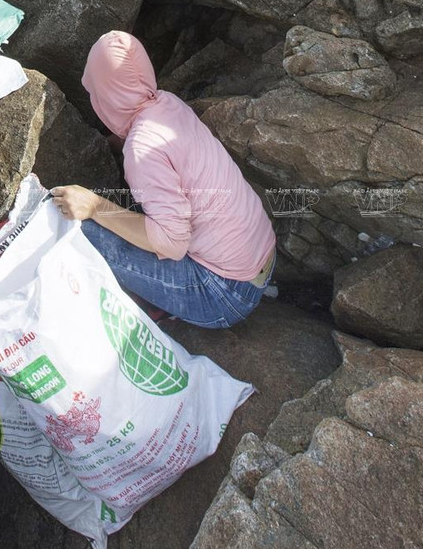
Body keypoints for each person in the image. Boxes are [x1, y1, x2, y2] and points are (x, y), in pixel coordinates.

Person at [52, 31, 276, 328]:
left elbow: (172, 244)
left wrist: (95, 206)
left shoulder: (141, 149)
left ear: (106, 96)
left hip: (224, 294)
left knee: (79, 229)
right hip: (262, 258)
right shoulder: (168, 103)